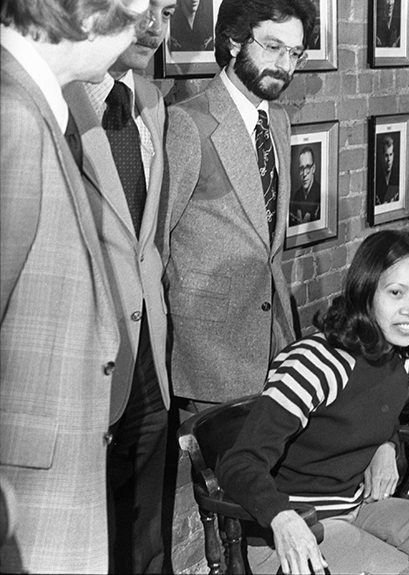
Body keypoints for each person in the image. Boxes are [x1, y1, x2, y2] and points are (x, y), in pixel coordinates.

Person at [0, 0, 149, 571]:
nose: (139, 33)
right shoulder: (13, 115)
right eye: (134, 16)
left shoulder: (33, 105)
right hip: (25, 496)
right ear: (90, 16)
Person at [218, 230, 409, 575]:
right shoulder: (314, 363)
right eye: (396, 293)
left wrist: (385, 444)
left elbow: (371, 415)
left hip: (358, 507)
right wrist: (281, 516)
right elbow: (239, 462)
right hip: (292, 530)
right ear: (365, 292)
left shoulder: (401, 355)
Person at [61, 0, 176, 571]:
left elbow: (147, 240)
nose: (156, 25)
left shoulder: (152, 101)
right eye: (146, 7)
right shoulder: (54, 101)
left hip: (149, 355)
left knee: (146, 530)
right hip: (88, 358)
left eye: (170, 9)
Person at [162, 0, 316, 407]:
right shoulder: (188, 123)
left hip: (274, 341)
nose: (285, 64)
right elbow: (156, 249)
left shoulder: (278, 120)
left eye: (295, 53)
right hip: (208, 356)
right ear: (233, 42)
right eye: (272, 46)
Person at [289, 146, 321, 225]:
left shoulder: (320, 194)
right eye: (301, 168)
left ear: (313, 168)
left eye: (308, 167)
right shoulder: (296, 196)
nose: (304, 173)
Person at [375, 134, 400, 205]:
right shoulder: (376, 178)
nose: (389, 159)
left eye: (391, 155)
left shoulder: (398, 177)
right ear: (382, 156)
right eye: (386, 155)